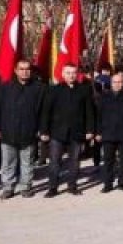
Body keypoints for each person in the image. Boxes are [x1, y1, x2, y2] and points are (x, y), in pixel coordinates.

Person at [0, 59, 46, 199]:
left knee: (27, 163)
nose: (25, 72)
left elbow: (43, 111)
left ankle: (26, 187)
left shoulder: (39, 88)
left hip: (29, 132)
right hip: (8, 132)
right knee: (8, 163)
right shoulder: (4, 88)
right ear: (15, 70)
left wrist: (42, 129)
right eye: (21, 69)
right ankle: (8, 187)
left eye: (27, 69)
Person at [40, 63, 96, 197]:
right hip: (57, 132)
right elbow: (46, 112)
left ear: (77, 74)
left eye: (73, 73)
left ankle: (72, 186)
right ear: (63, 74)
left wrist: (90, 130)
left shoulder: (84, 90)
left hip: (77, 132)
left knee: (75, 161)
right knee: (54, 161)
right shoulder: (54, 90)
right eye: (68, 73)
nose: (71, 75)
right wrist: (44, 131)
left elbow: (89, 112)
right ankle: (53, 187)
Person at [95, 71, 123, 192]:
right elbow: (99, 116)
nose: (117, 84)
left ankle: (122, 183)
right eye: (115, 82)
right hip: (108, 133)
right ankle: (108, 183)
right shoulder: (103, 96)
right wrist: (98, 132)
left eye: (119, 82)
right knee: (108, 160)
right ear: (111, 83)